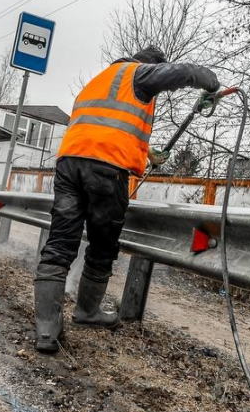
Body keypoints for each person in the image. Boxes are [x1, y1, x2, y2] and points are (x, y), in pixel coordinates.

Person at [33, 46, 219, 353]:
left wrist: (147, 155)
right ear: (152, 66)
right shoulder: (140, 74)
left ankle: (46, 332)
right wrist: (211, 82)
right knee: (103, 245)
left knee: (59, 244)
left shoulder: (101, 80)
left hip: (69, 165)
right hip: (105, 171)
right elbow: (185, 73)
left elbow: (105, 127)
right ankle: (87, 312)